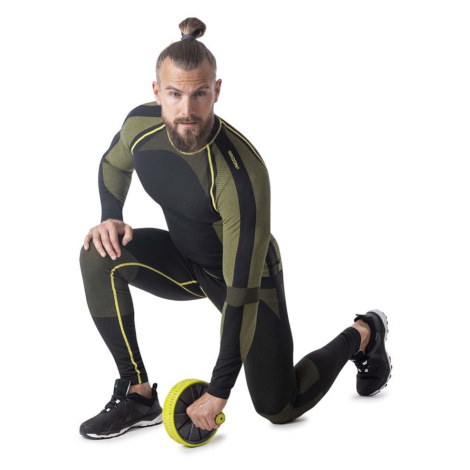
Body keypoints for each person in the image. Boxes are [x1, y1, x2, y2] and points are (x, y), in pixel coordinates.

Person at [79, 17, 392, 440]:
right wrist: (110, 215)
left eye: (199, 94)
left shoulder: (240, 175)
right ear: (156, 91)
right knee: (99, 254)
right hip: (185, 260)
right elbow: (114, 164)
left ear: (217, 90)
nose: (187, 110)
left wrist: (219, 390)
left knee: (280, 406)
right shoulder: (140, 126)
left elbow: (240, 293)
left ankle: (365, 333)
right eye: (174, 94)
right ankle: (137, 395)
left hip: (246, 279)